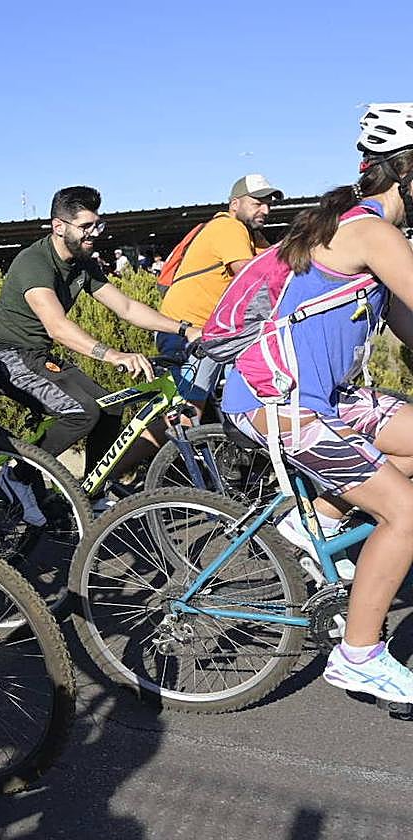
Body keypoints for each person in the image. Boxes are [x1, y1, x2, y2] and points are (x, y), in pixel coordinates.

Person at [217, 103, 413, 705]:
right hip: (279, 404)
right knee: (405, 513)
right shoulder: (369, 231)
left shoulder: (369, 229)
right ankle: (358, 656)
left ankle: (317, 525)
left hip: (333, 400)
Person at [0, 185, 199, 480]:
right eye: (86, 227)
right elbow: (57, 327)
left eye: (98, 225)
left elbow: (126, 307)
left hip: (37, 356)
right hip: (7, 358)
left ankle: (93, 490)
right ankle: (15, 479)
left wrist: (185, 329)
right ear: (58, 226)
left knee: (109, 408)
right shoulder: (34, 262)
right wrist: (113, 355)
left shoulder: (83, 263)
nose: (95, 233)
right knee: (82, 412)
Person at [157, 173, 284, 414]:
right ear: (235, 204)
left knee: (202, 410)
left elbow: (278, 269)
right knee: (189, 408)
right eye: (257, 203)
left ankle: (165, 450)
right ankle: (185, 450)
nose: (266, 210)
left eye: (269, 204)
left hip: (209, 333)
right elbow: (251, 278)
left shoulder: (252, 235)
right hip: (190, 332)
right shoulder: (228, 226)